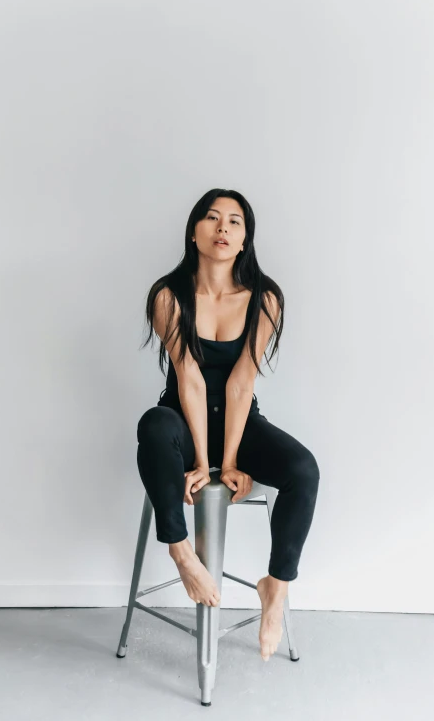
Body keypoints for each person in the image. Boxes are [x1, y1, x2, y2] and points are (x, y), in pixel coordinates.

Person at [136, 189, 320, 662]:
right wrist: (201, 460)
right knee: (154, 426)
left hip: (240, 421)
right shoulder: (168, 296)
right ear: (194, 231)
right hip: (182, 418)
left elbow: (241, 382)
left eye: (235, 222)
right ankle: (181, 555)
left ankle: (275, 587)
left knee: (303, 470)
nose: (223, 228)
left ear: (244, 240)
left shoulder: (265, 298)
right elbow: (190, 381)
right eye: (212, 218)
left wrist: (230, 460)